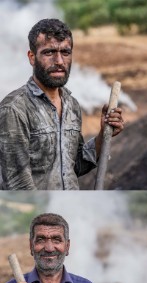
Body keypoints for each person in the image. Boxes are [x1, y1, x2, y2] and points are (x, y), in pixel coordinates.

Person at [0, 18, 125, 190]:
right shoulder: (14, 109)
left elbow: (74, 166)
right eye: (49, 52)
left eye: (65, 52)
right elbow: (17, 184)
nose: (59, 61)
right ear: (32, 57)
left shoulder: (71, 105)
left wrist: (103, 135)